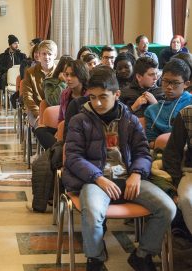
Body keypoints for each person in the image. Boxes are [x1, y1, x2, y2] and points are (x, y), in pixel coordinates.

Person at [62, 66, 176, 271]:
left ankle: (142, 255)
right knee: (93, 212)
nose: (97, 103)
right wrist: (98, 178)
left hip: (127, 178)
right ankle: (95, 258)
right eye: (93, 97)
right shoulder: (79, 121)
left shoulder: (129, 120)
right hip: (95, 180)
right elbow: (73, 157)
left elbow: (142, 152)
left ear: (116, 94)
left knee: (167, 208)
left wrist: (136, 173)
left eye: (103, 97)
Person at [144, 58, 192, 143]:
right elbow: (150, 140)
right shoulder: (151, 110)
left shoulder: (190, 105)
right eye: (165, 81)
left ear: (186, 84)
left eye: (175, 83)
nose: (169, 87)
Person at [163, 105, 192, 239]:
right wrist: (176, 180)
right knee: (186, 199)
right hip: (190, 171)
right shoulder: (187, 113)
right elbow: (172, 152)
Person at [21, 40, 57, 128]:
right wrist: (38, 113)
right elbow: (27, 96)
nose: (46, 57)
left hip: (55, 110)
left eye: (49, 54)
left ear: (55, 55)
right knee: (42, 127)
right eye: (44, 54)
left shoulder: (60, 73)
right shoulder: (30, 72)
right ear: (39, 55)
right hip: (35, 110)